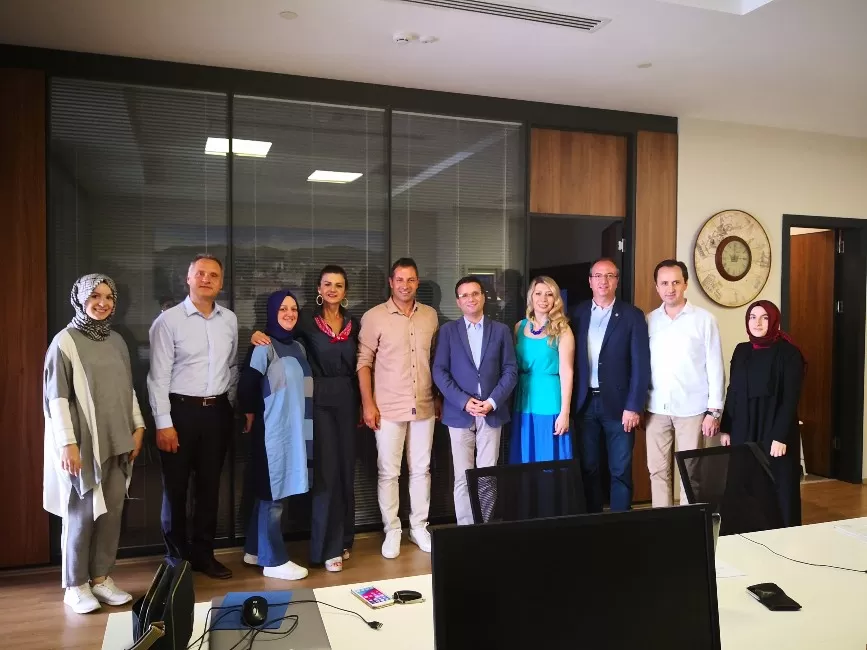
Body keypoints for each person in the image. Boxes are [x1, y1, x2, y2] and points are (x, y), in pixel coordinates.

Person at [43, 274, 145, 613]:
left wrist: (138, 426)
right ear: (80, 299)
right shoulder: (65, 342)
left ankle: (101, 578)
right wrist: (67, 444)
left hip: (117, 440)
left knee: (111, 513)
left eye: (108, 297)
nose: (102, 303)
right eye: (94, 296)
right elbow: (56, 399)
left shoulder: (117, 341)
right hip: (83, 444)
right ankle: (75, 585)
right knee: (81, 514)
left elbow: (127, 388)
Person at [251, 265, 360, 572]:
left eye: (339, 285)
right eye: (327, 284)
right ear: (319, 289)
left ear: (345, 291)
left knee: (346, 472)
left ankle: (344, 539)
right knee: (327, 474)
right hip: (318, 402)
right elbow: (280, 333)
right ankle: (326, 548)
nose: (333, 289)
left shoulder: (354, 322)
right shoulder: (307, 322)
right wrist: (258, 334)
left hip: (348, 399)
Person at [148, 254, 238, 579]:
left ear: (221, 283)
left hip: (217, 413)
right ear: (188, 278)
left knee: (209, 488)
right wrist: (164, 423)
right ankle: (176, 559)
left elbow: (231, 366)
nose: (206, 279)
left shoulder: (229, 320)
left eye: (213, 275)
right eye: (200, 273)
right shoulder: (168, 321)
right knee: (175, 489)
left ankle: (203, 555)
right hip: (180, 413)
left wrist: (231, 407)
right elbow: (157, 377)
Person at [357, 257, 441, 559]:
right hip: (388, 408)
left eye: (411, 279)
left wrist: (438, 397)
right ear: (391, 283)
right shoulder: (374, 317)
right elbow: (363, 363)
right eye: (400, 280)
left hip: (424, 405)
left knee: (421, 470)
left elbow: (436, 360)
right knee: (389, 472)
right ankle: (392, 529)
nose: (405, 285)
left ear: (417, 282)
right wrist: (368, 404)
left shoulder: (430, 316)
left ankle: (418, 527)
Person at [433, 275, 518, 525]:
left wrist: (492, 401)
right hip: (459, 413)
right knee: (463, 476)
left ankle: (483, 529)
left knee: (487, 475)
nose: (470, 299)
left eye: (475, 293)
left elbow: (510, 370)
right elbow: (439, 371)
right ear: (458, 302)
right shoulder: (448, 331)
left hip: (492, 412)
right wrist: (463, 401)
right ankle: (465, 529)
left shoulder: (501, 330)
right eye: (464, 295)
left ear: (483, 297)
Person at [239, 290, 311, 580]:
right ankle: (273, 560)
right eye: (283, 309)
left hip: (295, 429)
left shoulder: (299, 347)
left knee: (272, 492)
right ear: (271, 312)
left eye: (293, 308)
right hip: (272, 430)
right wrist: (251, 414)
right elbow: (247, 386)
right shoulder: (263, 346)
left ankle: (255, 550)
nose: (289, 313)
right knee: (273, 493)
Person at [571, 258, 650, 512]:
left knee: (620, 469)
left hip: (620, 406)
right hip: (584, 403)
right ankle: (593, 521)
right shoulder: (577, 314)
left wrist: (634, 406)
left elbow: (641, 365)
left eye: (609, 276)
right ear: (590, 281)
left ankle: (620, 524)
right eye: (598, 276)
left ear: (616, 281)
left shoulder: (632, 316)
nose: (603, 281)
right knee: (589, 467)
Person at [645, 260, 725, 507]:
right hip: (655, 408)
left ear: (685, 284)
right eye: (664, 283)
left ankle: (687, 522)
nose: (670, 289)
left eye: (676, 282)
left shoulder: (704, 320)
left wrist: (714, 411)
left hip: (693, 409)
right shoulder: (649, 320)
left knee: (690, 474)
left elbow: (716, 366)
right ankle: (662, 521)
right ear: (657, 287)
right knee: (657, 472)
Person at [721, 300, 805, 527]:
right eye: (752, 317)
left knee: (778, 485)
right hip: (743, 427)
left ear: (774, 321)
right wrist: (726, 427)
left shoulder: (789, 353)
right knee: (743, 483)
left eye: (764, 318)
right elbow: (733, 390)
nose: (757, 323)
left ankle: (784, 536)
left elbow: (790, 398)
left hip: (774, 429)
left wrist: (780, 436)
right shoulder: (741, 350)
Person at [508, 276, 575, 464]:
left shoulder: (563, 330)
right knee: (524, 456)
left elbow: (567, 372)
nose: (543, 299)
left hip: (550, 400)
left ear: (556, 299)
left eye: (549, 294)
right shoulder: (519, 327)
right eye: (538, 293)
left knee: (547, 457)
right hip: (523, 399)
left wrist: (565, 413)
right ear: (531, 296)